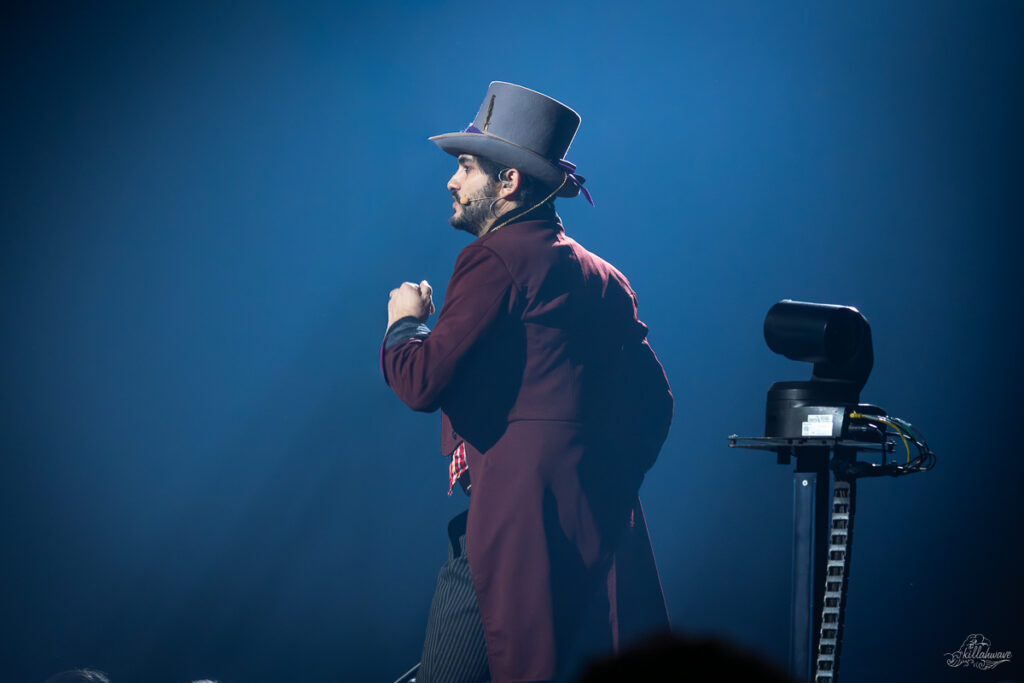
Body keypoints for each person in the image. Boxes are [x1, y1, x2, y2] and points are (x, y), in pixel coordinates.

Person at [381, 82, 673, 683]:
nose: (452, 182)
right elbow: (656, 405)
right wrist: (596, 477)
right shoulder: (604, 277)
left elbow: (420, 381)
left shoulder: (495, 257)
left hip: (514, 529)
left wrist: (405, 323)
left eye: (466, 167)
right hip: (590, 528)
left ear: (508, 182)